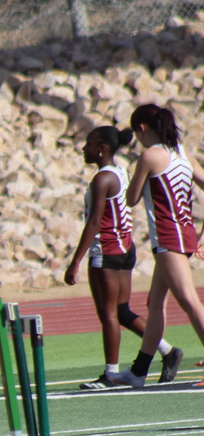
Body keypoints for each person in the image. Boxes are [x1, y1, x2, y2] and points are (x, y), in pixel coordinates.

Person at [64, 126, 182, 389]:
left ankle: (110, 374)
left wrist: (75, 262)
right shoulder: (120, 171)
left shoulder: (101, 179)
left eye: (89, 143)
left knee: (108, 314)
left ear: (102, 149)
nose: (84, 148)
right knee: (122, 311)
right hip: (125, 249)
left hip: (105, 251)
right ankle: (168, 350)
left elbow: (94, 222)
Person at [108, 105, 204, 388]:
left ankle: (139, 371)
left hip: (166, 237)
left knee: (188, 299)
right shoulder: (182, 152)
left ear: (142, 129)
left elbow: (131, 198)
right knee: (156, 303)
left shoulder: (149, 156)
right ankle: (139, 371)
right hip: (182, 234)